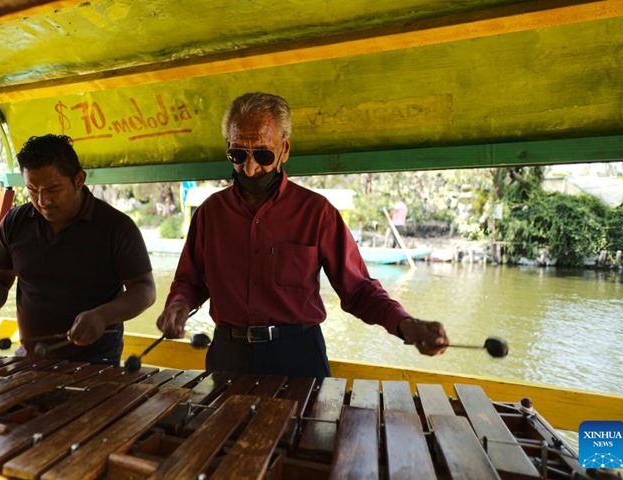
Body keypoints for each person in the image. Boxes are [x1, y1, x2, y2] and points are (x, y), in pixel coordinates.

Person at [156, 92, 448, 379]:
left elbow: (358, 290)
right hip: (229, 355)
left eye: (263, 154)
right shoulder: (210, 214)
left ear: (285, 149)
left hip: (298, 357)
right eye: (238, 154)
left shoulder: (317, 213)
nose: (250, 167)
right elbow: (190, 281)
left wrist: (405, 324)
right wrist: (179, 304)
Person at [0, 134, 156, 365]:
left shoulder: (116, 227)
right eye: (32, 190)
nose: (43, 200)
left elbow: (145, 290)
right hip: (31, 361)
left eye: (53, 189)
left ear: (78, 180)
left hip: (96, 365)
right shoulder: (15, 222)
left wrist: (103, 315)